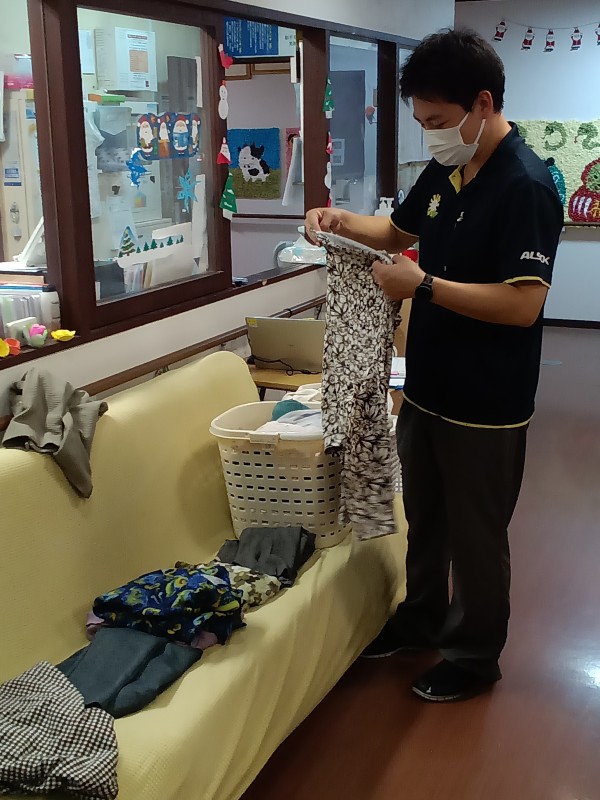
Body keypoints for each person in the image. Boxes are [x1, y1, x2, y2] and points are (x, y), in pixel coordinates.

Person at [305, 28, 563, 702]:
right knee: (425, 516)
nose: (431, 134)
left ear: (483, 104)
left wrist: (421, 286)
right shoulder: (447, 171)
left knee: (476, 536)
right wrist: (338, 220)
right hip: (427, 387)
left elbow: (523, 305)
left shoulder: (526, 186)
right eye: (421, 122)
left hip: (489, 401)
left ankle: (474, 657)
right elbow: (398, 231)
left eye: (439, 121)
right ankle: (421, 617)